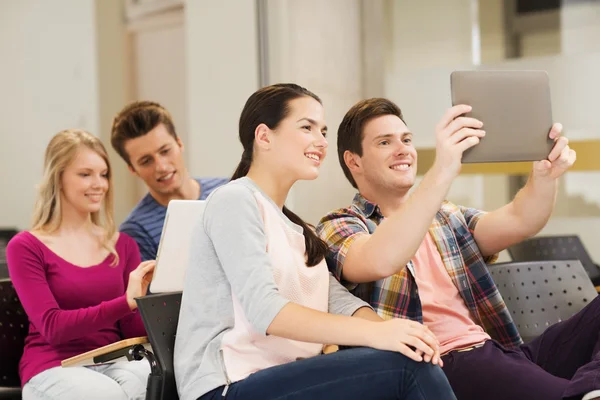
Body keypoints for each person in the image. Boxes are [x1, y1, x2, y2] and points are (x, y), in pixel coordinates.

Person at [173, 84, 457, 400]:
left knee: (412, 356)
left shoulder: (297, 226)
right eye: (307, 127)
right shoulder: (234, 200)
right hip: (226, 385)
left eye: (323, 131)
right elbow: (267, 310)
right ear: (264, 137)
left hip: (277, 376)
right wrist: (378, 333)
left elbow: (337, 301)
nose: (321, 142)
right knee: (409, 369)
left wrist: (398, 334)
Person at [316, 98, 600, 400]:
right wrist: (443, 169)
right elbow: (378, 259)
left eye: (407, 139)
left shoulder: (444, 215)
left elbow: (520, 219)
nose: (403, 150)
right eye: (385, 142)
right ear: (354, 161)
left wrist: (545, 175)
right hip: (441, 365)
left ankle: (585, 390)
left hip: (498, 352)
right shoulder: (340, 225)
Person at [6, 129, 155, 400]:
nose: (99, 183)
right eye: (85, 174)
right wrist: (126, 302)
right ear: (58, 178)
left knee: (152, 379)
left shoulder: (122, 245)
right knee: (107, 394)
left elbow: (131, 329)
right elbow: (53, 327)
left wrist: (152, 302)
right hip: (53, 366)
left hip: (112, 359)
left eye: (104, 174)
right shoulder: (26, 246)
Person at [110, 101, 228, 261]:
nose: (162, 167)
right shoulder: (135, 232)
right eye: (146, 161)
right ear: (132, 169)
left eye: (165, 151)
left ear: (179, 144)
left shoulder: (229, 190)